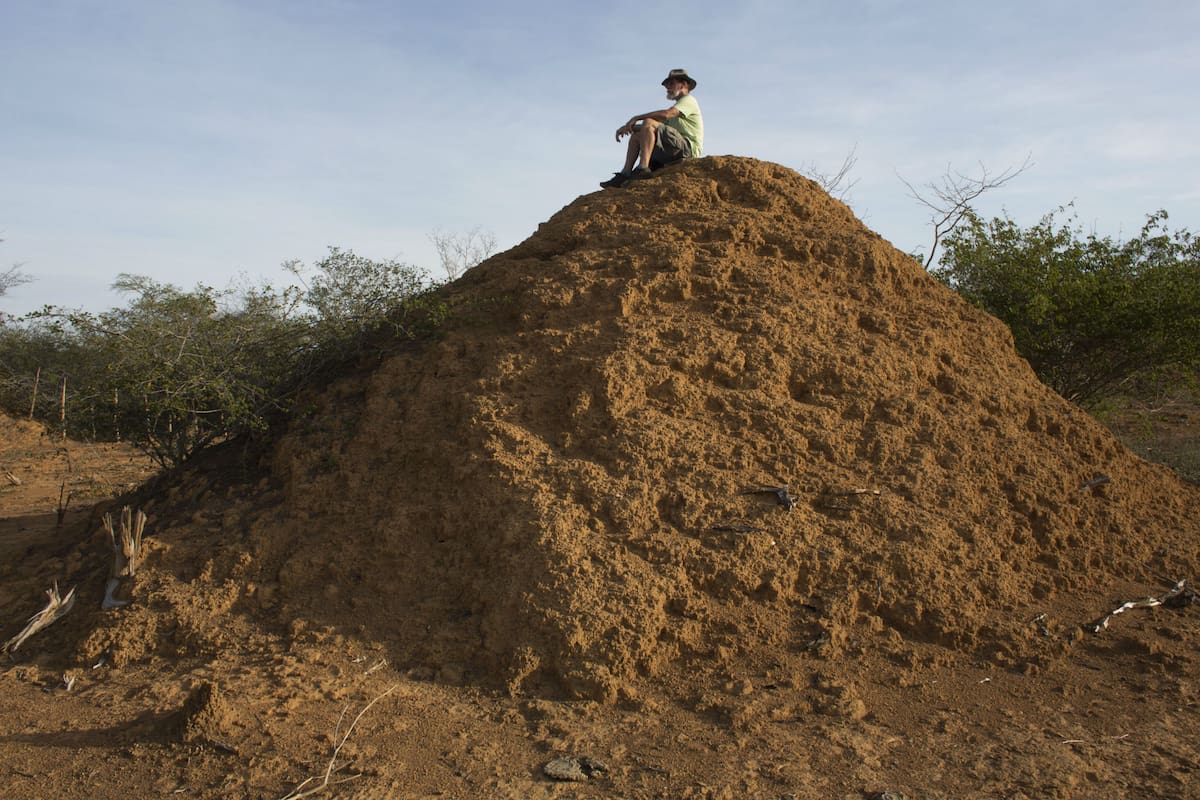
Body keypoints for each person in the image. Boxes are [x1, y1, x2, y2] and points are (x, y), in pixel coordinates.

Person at [600, 68, 704, 189]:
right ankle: (625, 173)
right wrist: (628, 128)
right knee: (637, 135)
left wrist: (636, 118)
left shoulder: (688, 100)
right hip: (674, 147)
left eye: (671, 83)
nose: (667, 87)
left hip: (688, 150)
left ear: (684, 84)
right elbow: (650, 127)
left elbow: (664, 115)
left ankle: (643, 168)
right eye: (666, 85)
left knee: (648, 121)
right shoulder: (677, 109)